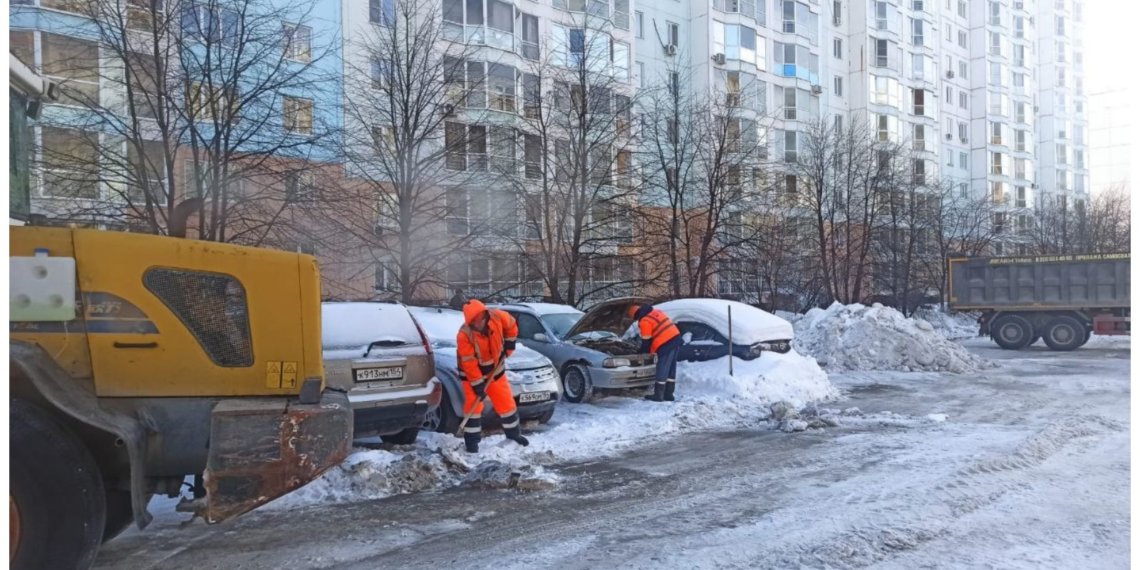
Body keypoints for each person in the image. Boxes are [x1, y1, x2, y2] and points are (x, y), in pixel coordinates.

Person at [456, 299, 529, 453]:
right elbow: (468, 362)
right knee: (473, 407)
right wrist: (477, 384)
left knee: (506, 404)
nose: (477, 324)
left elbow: (511, 325)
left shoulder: (498, 316)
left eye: (478, 320)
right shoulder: (464, 335)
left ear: (484, 315)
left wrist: (510, 343)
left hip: (495, 370)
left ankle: (514, 435)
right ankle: (471, 443)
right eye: (473, 322)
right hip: (471, 375)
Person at [633, 303, 682, 402]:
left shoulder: (644, 321)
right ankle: (669, 394)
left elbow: (646, 341)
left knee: (662, 367)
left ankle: (658, 395)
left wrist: (643, 353)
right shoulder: (656, 312)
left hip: (665, 343)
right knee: (671, 367)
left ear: (637, 315)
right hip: (676, 338)